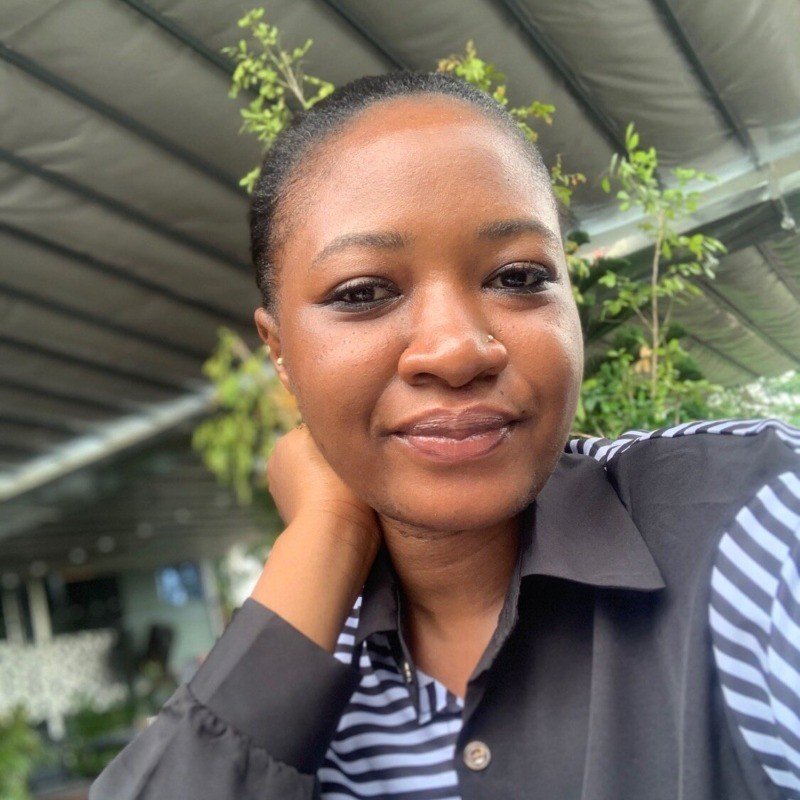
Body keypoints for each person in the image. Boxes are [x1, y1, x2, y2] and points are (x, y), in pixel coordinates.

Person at [90, 71, 800, 799]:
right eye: (363, 293)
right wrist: (325, 534)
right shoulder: (295, 661)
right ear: (279, 352)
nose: (459, 350)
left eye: (519, 276)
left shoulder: (751, 528)